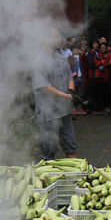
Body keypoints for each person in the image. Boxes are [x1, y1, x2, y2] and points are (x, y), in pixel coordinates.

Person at [32, 33, 79, 161]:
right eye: (55, 36)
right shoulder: (39, 61)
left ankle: (76, 178)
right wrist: (67, 96)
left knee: (71, 146)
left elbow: (69, 76)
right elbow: (44, 87)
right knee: (49, 150)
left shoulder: (61, 58)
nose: (59, 39)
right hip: (49, 113)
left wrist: (72, 92)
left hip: (65, 110)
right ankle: (45, 178)